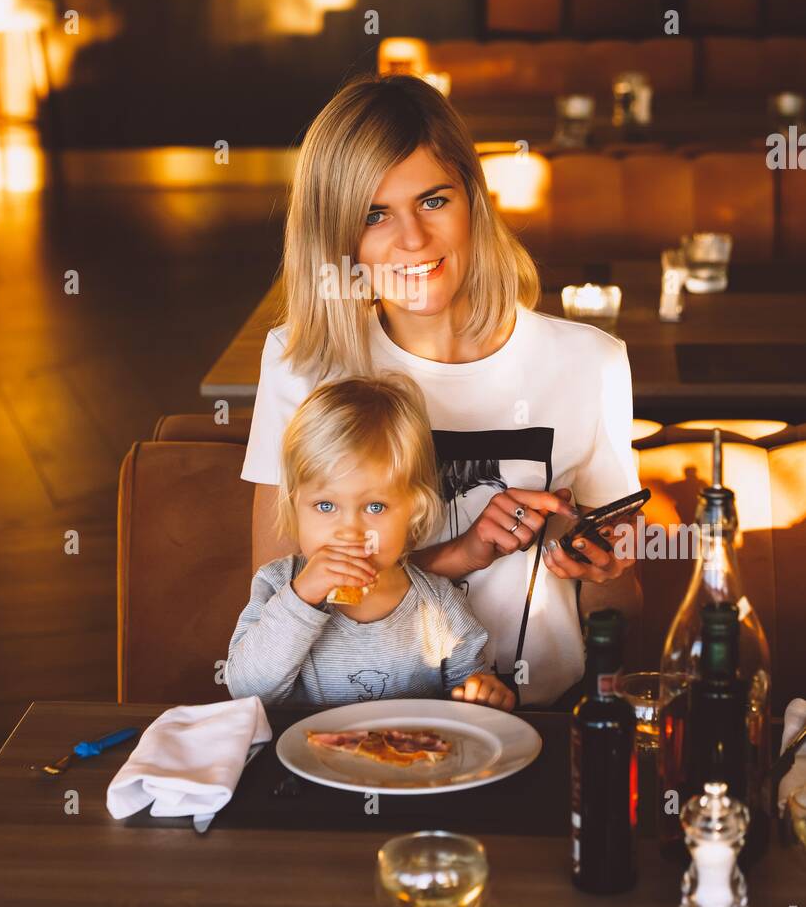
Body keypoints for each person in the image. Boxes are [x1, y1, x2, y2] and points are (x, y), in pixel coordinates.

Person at [241, 73, 643, 708]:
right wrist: (460, 554)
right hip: (350, 727)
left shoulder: (590, 363)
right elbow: (286, 596)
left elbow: (619, 608)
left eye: (433, 201)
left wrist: (602, 568)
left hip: (539, 720)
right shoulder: (301, 365)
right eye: (375, 214)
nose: (413, 241)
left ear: (474, 200)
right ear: (337, 234)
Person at [227, 374, 515, 711]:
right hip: (305, 760)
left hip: (409, 757)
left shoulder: (441, 606)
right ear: (295, 507)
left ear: (414, 511)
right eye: (325, 506)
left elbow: (468, 696)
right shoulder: (278, 586)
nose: (349, 530)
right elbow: (246, 691)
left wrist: (482, 694)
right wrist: (302, 598)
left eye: (374, 507)